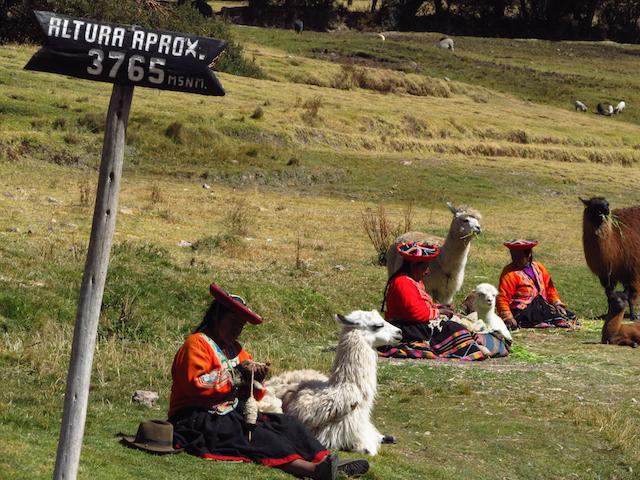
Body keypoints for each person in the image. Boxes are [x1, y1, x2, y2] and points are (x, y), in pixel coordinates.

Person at [168, 283, 368, 479]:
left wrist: (255, 380)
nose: (237, 330)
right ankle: (313, 471)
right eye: (233, 323)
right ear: (216, 315)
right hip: (196, 418)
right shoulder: (196, 344)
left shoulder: (235, 349)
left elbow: (249, 395)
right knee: (261, 437)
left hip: (230, 413)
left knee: (286, 424)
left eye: (241, 326)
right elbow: (197, 384)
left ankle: (326, 460)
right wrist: (239, 374)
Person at [380, 241, 486, 360]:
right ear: (413, 265)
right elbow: (415, 313)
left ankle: (474, 345)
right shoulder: (402, 282)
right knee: (454, 329)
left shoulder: (414, 281)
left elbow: (420, 305)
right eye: (424, 266)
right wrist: (439, 312)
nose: (427, 271)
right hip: (407, 328)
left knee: (456, 326)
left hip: (416, 324)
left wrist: (438, 307)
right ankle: (470, 350)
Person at [497, 239, 575, 329]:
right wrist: (508, 317)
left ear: (529, 255)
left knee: (568, 315)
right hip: (522, 311)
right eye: (513, 256)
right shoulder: (509, 273)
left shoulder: (538, 267)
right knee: (541, 309)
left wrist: (557, 304)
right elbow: (502, 297)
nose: (515, 260)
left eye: (519, 257)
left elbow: (550, 290)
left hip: (542, 306)